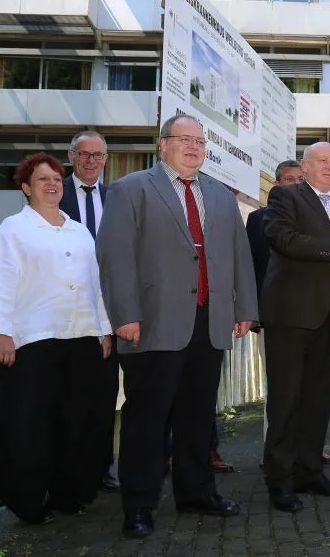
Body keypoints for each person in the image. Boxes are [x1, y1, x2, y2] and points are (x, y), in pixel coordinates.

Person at [97, 113, 258, 538]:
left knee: (198, 416)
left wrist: (245, 308)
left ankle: (196, 492)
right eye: (183, 139)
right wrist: (124, 314)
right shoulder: (130, 190)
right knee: (147, 419)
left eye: (200, 141)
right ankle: (139, 504)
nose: (194, 147)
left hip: (210, 320)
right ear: (161, 144)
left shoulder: (221, 196)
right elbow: (115, 257)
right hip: (152, 321)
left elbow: (240, 255)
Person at [0, 152, 112, 524]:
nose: (51, 184)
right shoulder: (13, 229)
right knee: (27, 425)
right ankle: (28, 502)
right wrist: (1, 332)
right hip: (31, 340)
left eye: (56, 179)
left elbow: (95, 284)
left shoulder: (78, 230)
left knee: (77, 421)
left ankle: (71, 494)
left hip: (81, 337)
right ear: (25, 188)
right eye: (42, 180)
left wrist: (103, 328)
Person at [259, 142, 330, 513]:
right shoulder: (285, 197)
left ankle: (308, 472)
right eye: (322, 161)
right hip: (290, 316)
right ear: (304, 166)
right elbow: (285, 240)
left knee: (318, 401)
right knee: (286, 401)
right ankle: (279, 480)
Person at [245, 159, 330, 465]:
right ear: (276, 185)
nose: (296, 184)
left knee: (314, 395)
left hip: (322, 316)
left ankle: (306, 460)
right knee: (282, 394)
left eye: (300, 179)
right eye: (289, 179)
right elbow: (254, 266)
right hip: (280, 317)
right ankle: (277, 462)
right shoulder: (262, 219)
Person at [58, 130, 121, 492]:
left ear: (106, 160)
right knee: (69, 395)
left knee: (104, 393)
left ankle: (101, 467)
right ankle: (71, 469)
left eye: (98, 155)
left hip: (109, 311)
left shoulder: (116, 197)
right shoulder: (54, 193)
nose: (91, 161)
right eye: (84, 155)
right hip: (67, 308)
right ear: (72, 157)